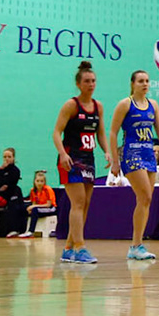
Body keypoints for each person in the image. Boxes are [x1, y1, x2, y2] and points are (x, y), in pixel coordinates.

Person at [109, 70, 159, 262]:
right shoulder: (125, 104)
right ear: (133, 83)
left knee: (145, 201)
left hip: (149, 153)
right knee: (145, 195)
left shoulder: (153, 105)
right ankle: (135, 245)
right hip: (132, 153)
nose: (145, 84)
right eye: (141, 81)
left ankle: (136, 245)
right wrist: (115, 161)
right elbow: (113, 132)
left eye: (147, 81)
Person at [52, 60, 108, 264]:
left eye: (93, 81)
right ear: (78, 84)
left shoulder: (98, 106)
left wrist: (107, 152)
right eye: (87, 81)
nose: (91, 84)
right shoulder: (71, 105)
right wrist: (62, 154)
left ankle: (68, 249)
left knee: (85, 205)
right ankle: (80, 247)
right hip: (70, 158)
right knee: (77, 202)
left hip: (88, 158)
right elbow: (56, 132)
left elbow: (100, 133)